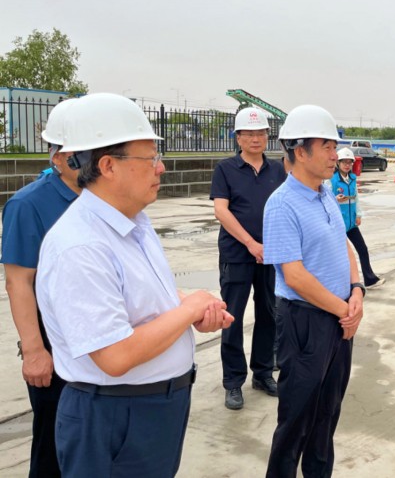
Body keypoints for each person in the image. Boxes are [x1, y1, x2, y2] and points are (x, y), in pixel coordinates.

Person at [34, 93, 233, 478]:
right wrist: (188, 310)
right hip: (114, 415)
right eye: (150, 158)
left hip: (152, 408)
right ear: (108, 166)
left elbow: (143, 297)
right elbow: (115, 356)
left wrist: (190, 304)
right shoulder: (80, 246)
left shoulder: (133, 222)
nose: (161, 168)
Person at [262, 104, 364, 477]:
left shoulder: (325, 194)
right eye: (327, 147)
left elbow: (344, 246)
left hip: (340, 319)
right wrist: (343, 310)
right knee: (297, 421)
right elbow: (294, 276)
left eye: (334, 146)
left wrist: (357, 290)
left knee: (327, 417)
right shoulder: (281, 204)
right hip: (305, 322)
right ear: (300, 151)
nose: (335, 155)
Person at [1, 98, 80, 478]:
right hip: (54, 342)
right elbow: (18, 280)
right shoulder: (29, 204)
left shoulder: (104, 197)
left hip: (98, 337)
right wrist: (34, 351)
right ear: (59, 157)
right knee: (54, 443)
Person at [210, 106, 286, 410]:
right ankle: (233, 382)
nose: (256, 138)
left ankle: (263, 373)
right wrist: (251, 243)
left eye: (261, 133)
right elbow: (221, 210)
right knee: (232, 317)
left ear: (268, 136)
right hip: (237, 255)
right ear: (238, 137)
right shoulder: (225, 169)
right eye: (249, 133)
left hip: (270, 255)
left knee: (269, 314)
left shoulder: (278, 170)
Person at [327, 147, 385, 289]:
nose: (347, 165)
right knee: (341, 255)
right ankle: (340, 285)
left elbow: (356, 198)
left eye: (350, 162)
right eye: (344, 162)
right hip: (338, 223)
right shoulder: (331, 180)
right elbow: (325, 199)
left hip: (351, 223)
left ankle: (370, 280)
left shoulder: (353, 178)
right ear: (338, 163)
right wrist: (335, 199)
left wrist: (358, 214)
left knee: (362, 249)